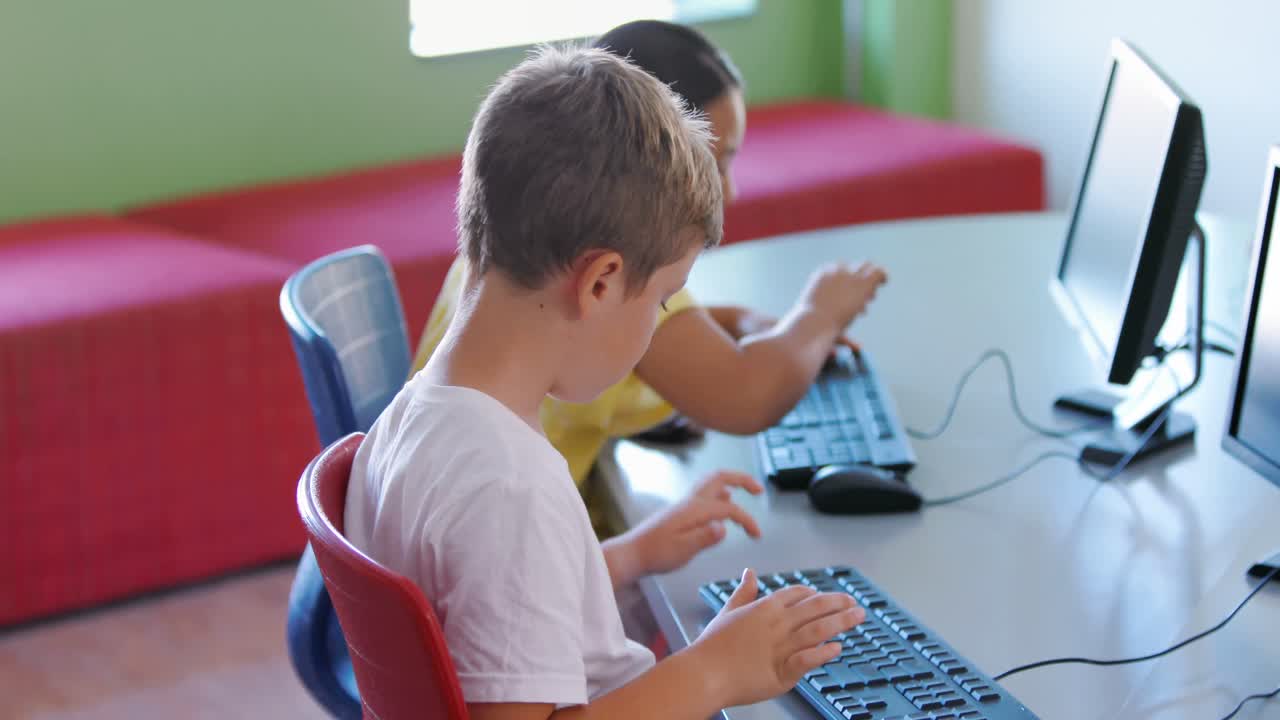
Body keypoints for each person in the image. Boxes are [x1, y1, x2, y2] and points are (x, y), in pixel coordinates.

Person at [345, 46, 868, 718]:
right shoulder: (511, 488)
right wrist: (713, 672)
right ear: (599, 283)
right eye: (662, 300)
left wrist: (625, 556)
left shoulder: (411, 419)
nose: (657, 323)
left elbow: (485, 602)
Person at [411, 20, 887, 534]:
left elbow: (670, 337)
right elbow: (748, 393)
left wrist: (744, 321)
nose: (728, 191)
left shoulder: (508, 249)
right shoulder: (514, 487)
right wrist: (820, 311)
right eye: (715, 163)